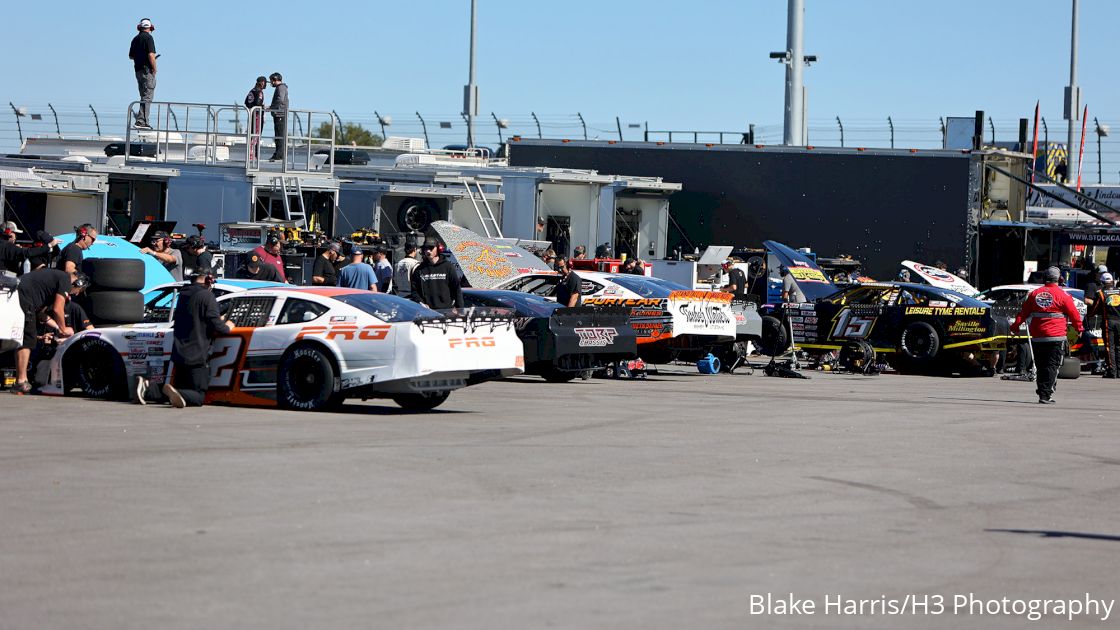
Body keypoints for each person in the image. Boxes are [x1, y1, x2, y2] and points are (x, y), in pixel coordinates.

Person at [157, 267, 232, 408]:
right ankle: (174, 392)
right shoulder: (206, 296)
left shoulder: (183, 294)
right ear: (209, 279)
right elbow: (217, 326)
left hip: (179, 353)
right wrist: (228, 325)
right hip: (197, 355)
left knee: (183, 389)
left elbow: (196, 316)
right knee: (198, 396)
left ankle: (149, 388)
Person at [1011, 266, 1084, 404]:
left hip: (1038, 336)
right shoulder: (1063, 295)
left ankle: (1042, 391)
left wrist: (1015, 326)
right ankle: (1046, 394)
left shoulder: (1034, 294)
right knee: (1053, 366)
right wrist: (1079, 328)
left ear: (1044, 278)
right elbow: (1074, 314)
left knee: (1041, 365)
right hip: (1056, 336)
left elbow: (1023, 313)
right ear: (1059, 279)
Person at [11, 269, 82, 394]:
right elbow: (57, 308)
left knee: (16, 337)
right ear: (78, 283)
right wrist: (64, 328)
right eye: (79, 291)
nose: (76, 294)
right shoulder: (65, 280)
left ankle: (20, 380)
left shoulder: (50, 284)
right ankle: (21, 381)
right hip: (22, 295)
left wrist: (58, 328)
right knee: (28, 339)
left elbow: (40, 315)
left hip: (18, 294)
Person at [411, 238, 464, 308]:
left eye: (431, 248)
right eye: (426, 248)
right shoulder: (419, 269)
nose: (428, 251)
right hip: (427, 312)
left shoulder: (448, 267)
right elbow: (415, 291)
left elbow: (456, 288)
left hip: (446, 311)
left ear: (438, 249)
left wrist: (459, 309)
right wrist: (421, 302)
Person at [1087, 272, 1119, 379]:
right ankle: (1119, 371)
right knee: (1118, 346)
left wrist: (1089, 315)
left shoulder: (1101, 292)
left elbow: (1095, 308)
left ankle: (1112, 371)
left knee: (1110, 347)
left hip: (1108, 322)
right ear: (1112, 281)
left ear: (1102, 282)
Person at [128, 18, 157, 129]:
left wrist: (140, 57)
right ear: (150, 27)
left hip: (138, 70)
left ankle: (142, 120)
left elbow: (131, 56)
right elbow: (151, 55)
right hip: (146, 71)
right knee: (148, 96)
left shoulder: (135, 39)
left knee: (143, 95)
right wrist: (154, 68)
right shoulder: (149, 38)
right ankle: (141, 121)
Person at [244, 76, 267, 161]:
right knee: (256, 135)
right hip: (257, 115)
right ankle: (253, 155)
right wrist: (262, 106)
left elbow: (246, 102)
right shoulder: (259, 92)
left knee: (251, 134)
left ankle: (251, 153)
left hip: (251, 115)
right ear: (262, 83)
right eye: (265, 83)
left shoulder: (251, 91)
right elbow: (258, 102)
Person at [268, 72, 289, 161]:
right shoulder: (280, 87)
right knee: (278, 135)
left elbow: (280, 99)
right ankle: (278, 153)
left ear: (275, 80)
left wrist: (271, 107)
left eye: (271, 81)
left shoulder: (281, 88)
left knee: (280, 135)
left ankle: (279, 154)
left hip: (280, 114)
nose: (271, 83)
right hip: (278, 113)